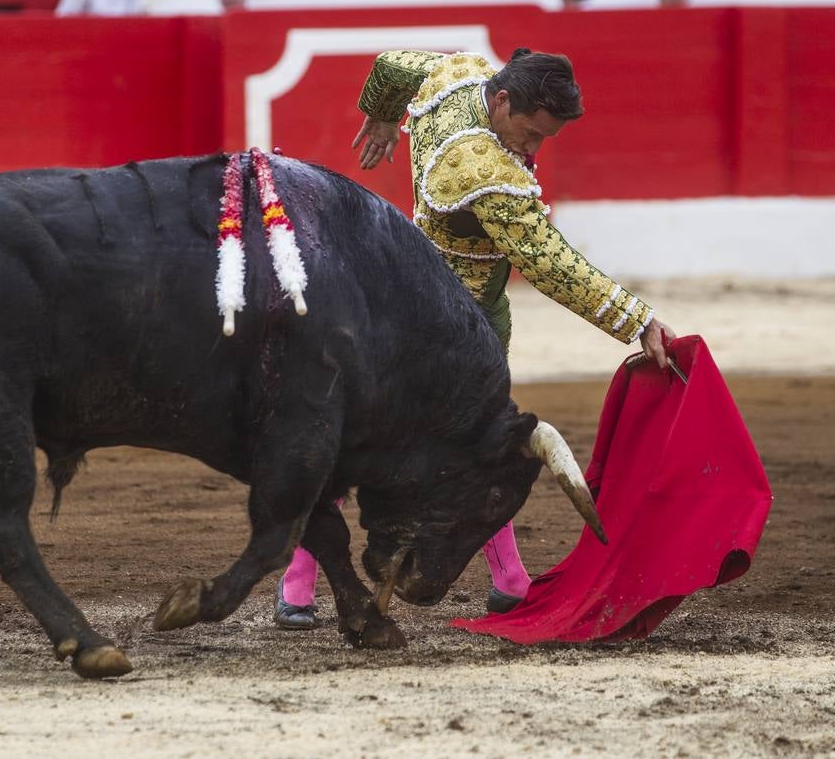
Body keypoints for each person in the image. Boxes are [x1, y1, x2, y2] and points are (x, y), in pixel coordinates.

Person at [275, 48, 676, 629]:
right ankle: (508, 581)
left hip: (397, 299)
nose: (532, 150)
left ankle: (299, 588)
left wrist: (383, 115)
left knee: (356, 436)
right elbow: (547, 262)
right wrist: (635, 320)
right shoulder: (484, 171)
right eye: (530, 133)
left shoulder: (458, 73)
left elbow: (393, 65)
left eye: (545, 140)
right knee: (479, 447)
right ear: (504, 100)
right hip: (461, 329)